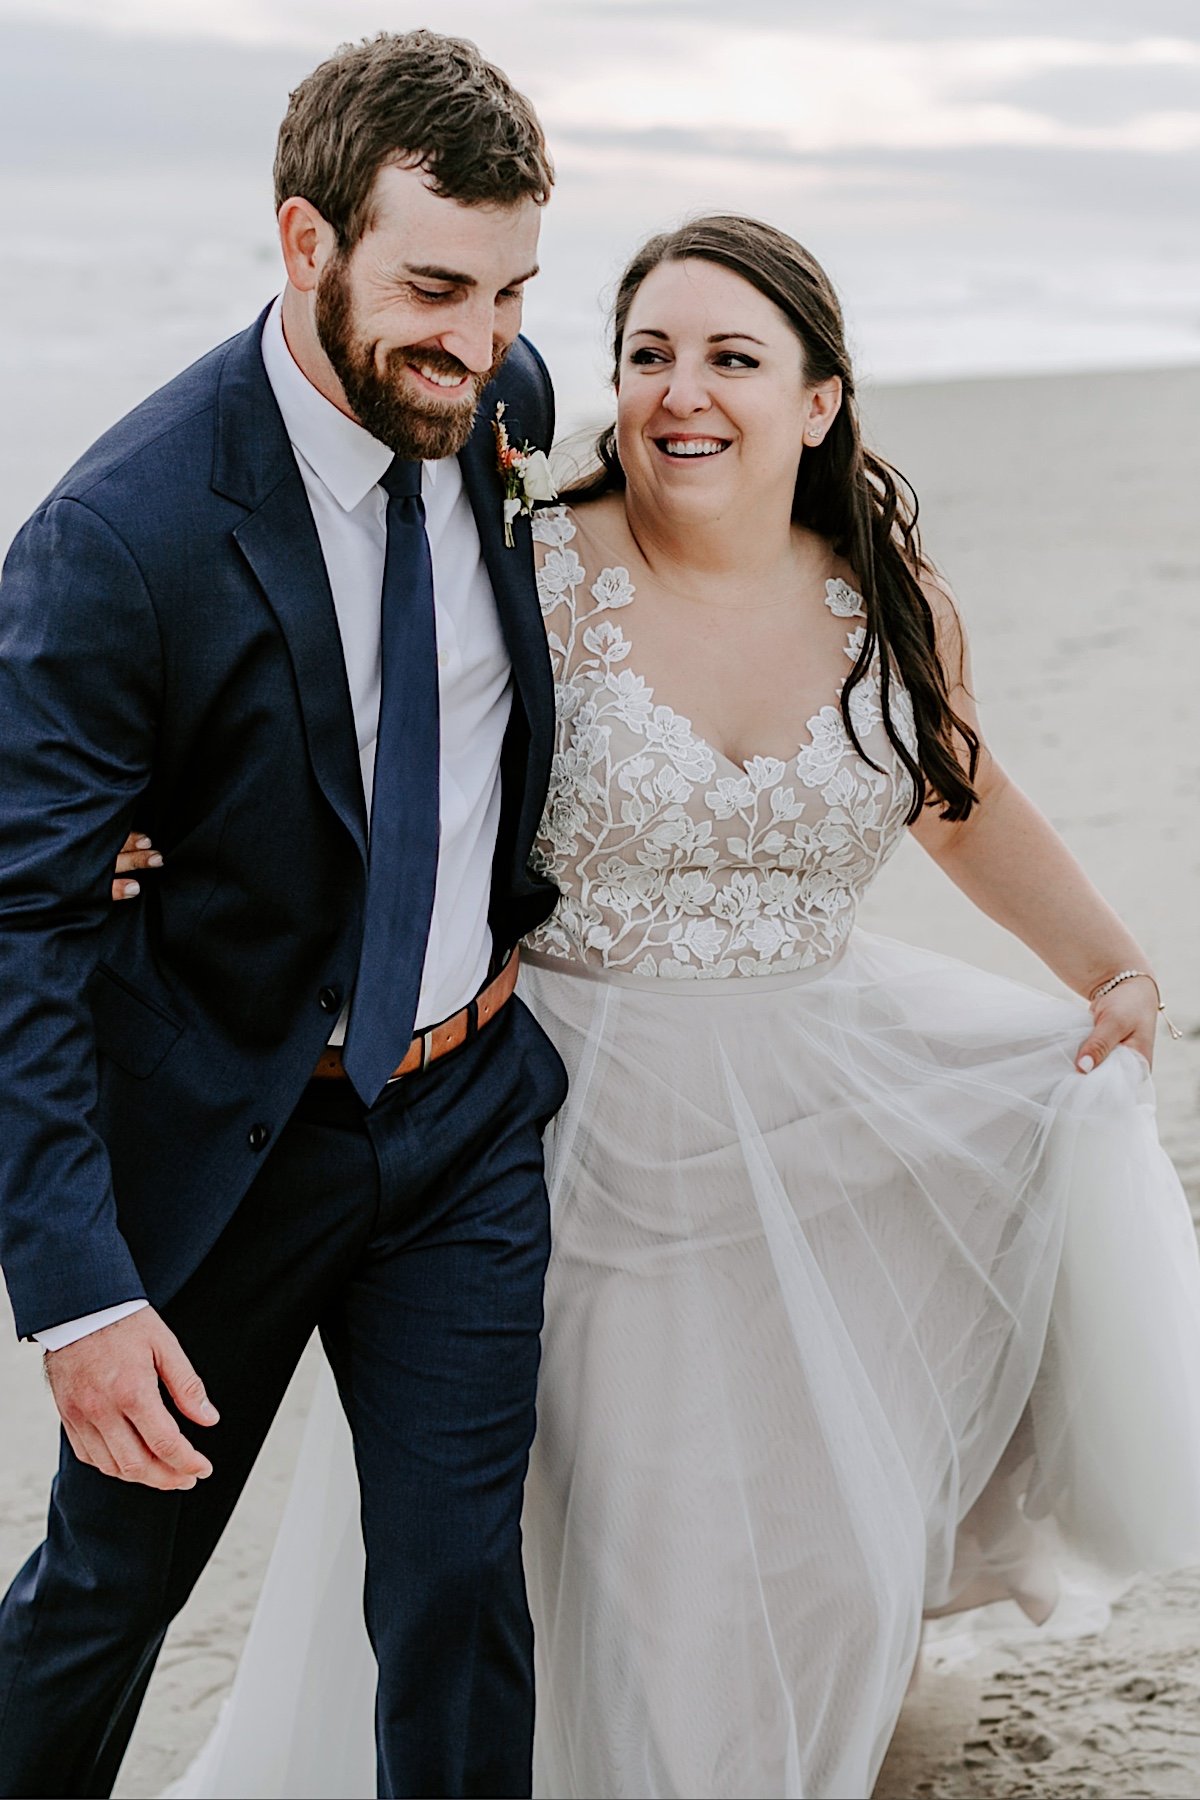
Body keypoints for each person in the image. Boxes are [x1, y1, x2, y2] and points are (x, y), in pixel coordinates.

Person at [153, 214, 1200, 1800]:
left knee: (809, 1537)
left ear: (820, 402)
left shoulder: (886, 594)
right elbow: (355, 746)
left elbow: (959, 797)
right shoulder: (536, 568)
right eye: (649, 354)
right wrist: (150, 826)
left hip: (827, 1119)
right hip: (564, 1126)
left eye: (731, 358)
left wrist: (1109, 966)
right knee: (612, 1534)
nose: (680, 392)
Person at [0, 31, 567, 1800]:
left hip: (465, 1115)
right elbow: (18, 927)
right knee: (110, 1595)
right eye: (433, 287)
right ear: (304, 242)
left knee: (463, 1586)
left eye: (509, 289)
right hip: (232, 1138)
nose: (477, 343)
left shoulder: (496, 407)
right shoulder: (120, 534)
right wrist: (76, 1299)